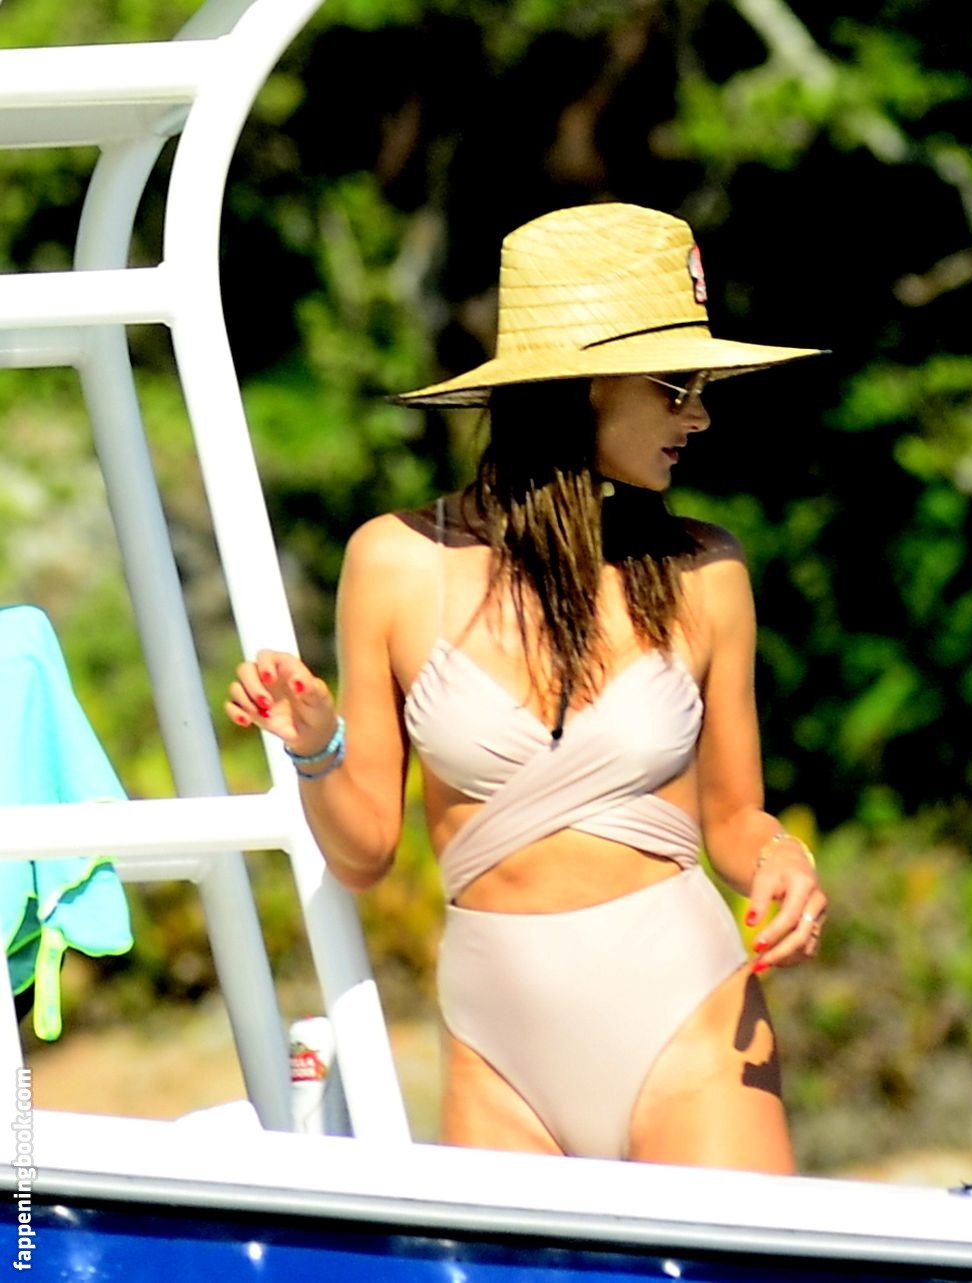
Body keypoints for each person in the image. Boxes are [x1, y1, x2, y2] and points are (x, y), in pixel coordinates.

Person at [222, 203, 829, 1170]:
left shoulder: (705, 570)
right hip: (497, 1052)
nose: (700, 415)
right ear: (581, 388)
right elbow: (365, 853)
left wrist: (782, 856)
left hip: (691, 1018)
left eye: (703, 388)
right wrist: (315, 746)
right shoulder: (394, 561)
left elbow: (734, 818)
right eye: (676, 386)